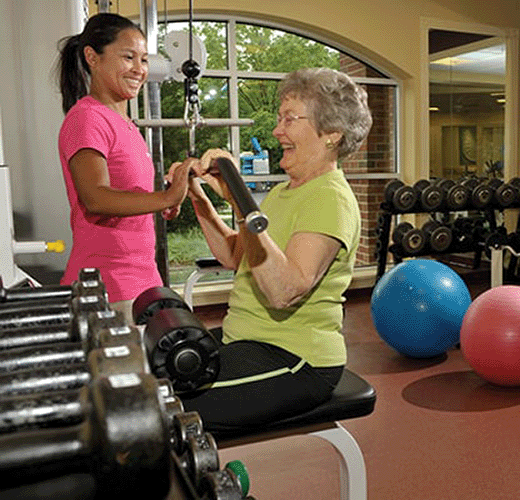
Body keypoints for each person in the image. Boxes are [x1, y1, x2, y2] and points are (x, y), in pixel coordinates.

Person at [178, 67, 372, 434]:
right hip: (247, 338)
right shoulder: (285, 192)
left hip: (297, 359)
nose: (277, 130)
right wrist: (199, 200)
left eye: (289, 119)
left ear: (332, 135)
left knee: (167, 408)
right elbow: (237, 257)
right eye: (279, 119)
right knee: (159, 372)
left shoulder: (330, 198)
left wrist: (240, 200)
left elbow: (284, 291)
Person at [56, 13, 194, 323]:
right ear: (92, 57)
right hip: (110, 288)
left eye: (144, 59)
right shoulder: (87, 119)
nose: (139, 69)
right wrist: (167, 197)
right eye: (128, 57)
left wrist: (158, 203)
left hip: (142, 282)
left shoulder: (125, 124)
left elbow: (126, 196)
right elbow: (96, 199)